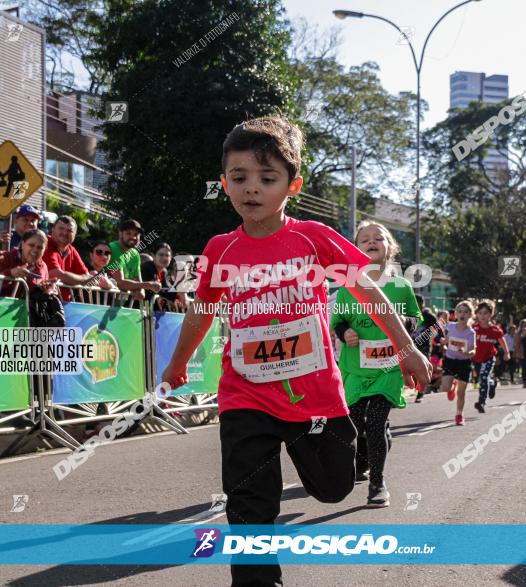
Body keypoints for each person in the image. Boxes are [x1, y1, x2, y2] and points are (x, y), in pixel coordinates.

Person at [159, 116, 430, 587]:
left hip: (314, 397)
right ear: (224, 183)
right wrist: (178, 363)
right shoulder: (221, 249)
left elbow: (367, 291)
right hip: (245, 394)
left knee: (333, 487)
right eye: (239, 178)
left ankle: (353, 455)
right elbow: (202, 310)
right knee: (248, 504)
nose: (252, 189)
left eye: (267, 179)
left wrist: (406, 346)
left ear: (292, 186)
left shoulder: (313, 238)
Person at [331, 221, 422, 508]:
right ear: (354, 250)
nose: (371, 242)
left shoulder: (400, 286)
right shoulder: (349, 286)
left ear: (390, 247)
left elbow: (416, 320)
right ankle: (364, 459)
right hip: (356, 369)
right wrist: (345, 332)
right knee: (356, 424)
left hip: (389, 368)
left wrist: (403, 323)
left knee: (376, 420)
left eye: (378, 238)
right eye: (364, 239)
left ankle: (377, 484)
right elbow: (337, 321)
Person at [0, 229, 63, 327]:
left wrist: (47, 289)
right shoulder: (5, 257)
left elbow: (38, 292)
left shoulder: (42, 266)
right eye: (31, 245)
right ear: (22, 244)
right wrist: (10, 273)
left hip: (25, 320)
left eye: (40, 247)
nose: (35, 250)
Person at [41, 215, 92, 301]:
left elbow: (87, 276)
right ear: (53, 229)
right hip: (45, 302)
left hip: (65, 305)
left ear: (75, 235)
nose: (64, 233)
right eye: (61, 228)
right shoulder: (45, 243)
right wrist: (84, 279)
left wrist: (86, 278)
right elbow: (56, 274)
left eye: (69, 230)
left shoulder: (71, 249)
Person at [441, 300, 476, 425]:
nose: (463, 314)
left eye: (466, 312)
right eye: (460, 311)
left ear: (470, 315)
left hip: (464, 363)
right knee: (445, 388)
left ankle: (459, 415)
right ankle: (452, 387)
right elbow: (443, 341)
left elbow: (473, 350)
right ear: (455, 314)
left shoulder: (471, 333)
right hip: (450, 360)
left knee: (461, 393)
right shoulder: (449, 326)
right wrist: (444, 342)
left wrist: (466, 353)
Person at [471, 300, 509, 414]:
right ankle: (492, 384)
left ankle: (481, 402)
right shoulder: (474, 328)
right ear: (477, 314)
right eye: (480, 313)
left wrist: (507, 353)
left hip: (489, 357)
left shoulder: (495, 329)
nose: (482, 316)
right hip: (476, 358)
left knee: (483, 377)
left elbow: (502, 340)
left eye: (485, 313)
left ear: (491, 314)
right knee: (484, 379)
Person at [107, 218, 161, 295]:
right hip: (101, 302)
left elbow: (140, 290)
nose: (133, 237)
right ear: (120, 234)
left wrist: (139, 288)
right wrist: (149, 285)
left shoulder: (135, 254)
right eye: (128, 233)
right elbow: (120, 283)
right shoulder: (113, 248)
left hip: (121, 303)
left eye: (136, 234)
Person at [141, 243, 188, 310]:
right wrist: (179, 292)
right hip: (138, 309)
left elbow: (166, 289)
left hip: (152, 310)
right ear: (153, 256)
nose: (164, 258)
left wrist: (181, 291)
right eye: (161, 255)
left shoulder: (164, 272)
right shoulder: (147, 267)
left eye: (167, 255)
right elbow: (154, 289)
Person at [411, 295, 440, 403]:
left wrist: (438, 339)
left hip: (424, 348)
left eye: (419, 304)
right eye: (415, 303)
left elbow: (438, 329)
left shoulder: (429, 317)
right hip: (410, 347)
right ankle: (416, 387)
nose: (417, 306)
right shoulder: (408, 314)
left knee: (422, 371)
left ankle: (420, 394)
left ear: (423, 305)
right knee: (410, 371)